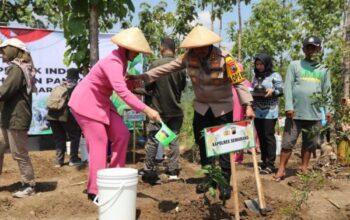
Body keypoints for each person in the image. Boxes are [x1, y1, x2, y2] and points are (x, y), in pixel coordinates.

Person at [132, 26, 255, 200]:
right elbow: (165, 69)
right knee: (203, 142)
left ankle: (225, 182)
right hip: (202, 108)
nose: (199, 50)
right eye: (195, 47)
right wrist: (143, 77)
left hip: (222, 109)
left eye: (202, 47)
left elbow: (239, 82)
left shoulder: (225, 59)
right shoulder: (189, 58)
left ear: (209, 45)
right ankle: (210, 177)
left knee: (223, 145)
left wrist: (248, 105)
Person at [68, 27, 161, 201]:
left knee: (122, 133)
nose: (137, 54)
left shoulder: (123, 61)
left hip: (102, 101)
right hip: (85, 102)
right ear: (125, 48)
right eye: (135, 51)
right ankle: (95, 190)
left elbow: (121, 84)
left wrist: (132, 81)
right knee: (99, 141)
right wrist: (147, 110)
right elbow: (122, 93)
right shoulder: (114, 61)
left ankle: (114, 177)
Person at [274, 36, 332, 181]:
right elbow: (287, 87)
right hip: (295, 113)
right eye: (308, 47)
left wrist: (329, 109)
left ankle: (304, 167)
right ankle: (281, 169)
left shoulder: (323, 69)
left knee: (309, 143)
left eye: (314, 47)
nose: (311, 50)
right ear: (303, 49)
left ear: (319, 49)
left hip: (315, 114)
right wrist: (288, 106)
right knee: (288, 142)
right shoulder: (294, 65)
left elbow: (327, 91)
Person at [138, 37, 187, 181]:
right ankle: (173, 171)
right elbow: (182, 87)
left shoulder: (155, 64)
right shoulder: (180, 65)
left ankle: (149, 170)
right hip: (175, 110)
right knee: (173, 140)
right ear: (175, 49)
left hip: (158, 111)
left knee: (154, 139)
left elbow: (148, 88)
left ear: (161, 48)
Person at [0, 38, 36, 197]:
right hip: (8, 117)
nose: (2, 54)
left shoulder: (17, 69)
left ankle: (29, 185)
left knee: (19, 153)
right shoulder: (19, 68)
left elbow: (5, 91)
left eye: (4, 50)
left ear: (14, 50)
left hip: (16, 117)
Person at [252, 53, 283, 174]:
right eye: (257, 64)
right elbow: (252, 88)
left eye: (261, 64)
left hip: (270, 111)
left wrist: (273, 90)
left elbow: (281, 90)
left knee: (268, 136)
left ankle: (270, 164)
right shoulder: (256, 76)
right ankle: (263, 161)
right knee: (260, 136)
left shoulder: (275, 75)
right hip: (258, 110)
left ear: (267, 64)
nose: (259, 66)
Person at [47, 68, 82, 167]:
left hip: (52, 116)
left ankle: (59, 161)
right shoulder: (75, 87)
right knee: (75, 136)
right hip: (64, 116)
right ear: (76, 77)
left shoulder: (59, 86)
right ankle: (73, 159)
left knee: (59, 138)